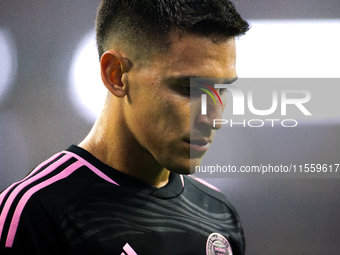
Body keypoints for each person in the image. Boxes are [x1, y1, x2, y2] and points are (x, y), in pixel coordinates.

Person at [0, 0, 249, 254]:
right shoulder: (38, 212)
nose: (213, 117)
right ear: (116, 75)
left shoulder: (219, 215)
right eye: (188, 89)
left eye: (222, 89)